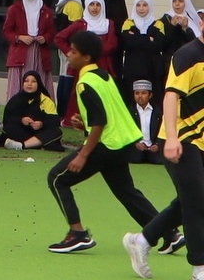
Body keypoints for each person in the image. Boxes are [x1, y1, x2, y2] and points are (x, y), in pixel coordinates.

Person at [46, 31, 171, 253]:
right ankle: (169, 233)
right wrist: (82, 124)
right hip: (121, 144)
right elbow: (105, 114)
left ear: (86, 58)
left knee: (57, 179)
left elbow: (100, 121)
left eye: (73, 51)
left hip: (105, 145)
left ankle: (78, 234)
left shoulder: (85, 84)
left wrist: (83, 154)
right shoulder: (104, 76)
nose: (69, 54)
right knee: (127, 192)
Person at [123, 15, 204, 280]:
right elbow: (170, 96)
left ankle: (142, 240)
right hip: (181, 138)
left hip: (201, 140)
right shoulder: (188, 55)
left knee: (189, 199)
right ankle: (199, 269)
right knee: (196, 202)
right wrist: (171, 138)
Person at [55, 0, 118, 128]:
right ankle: (76, 121)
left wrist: (95, 50)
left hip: (103, 66)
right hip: (85, 66)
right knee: (82, 93)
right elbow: (59, 38)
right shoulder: (80, 24)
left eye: (98, 5)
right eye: (91, 5)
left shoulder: (109, 24)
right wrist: (71, 53)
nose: (95, 8)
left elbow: (112, 44)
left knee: (102, 94)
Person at [2, 0, 55, 102]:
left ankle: (41, 113)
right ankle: (16, 114)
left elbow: (52, 31)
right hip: (20, 52)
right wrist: (19, 37)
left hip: (39, 53)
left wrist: (45, 38)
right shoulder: (15, 9)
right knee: (19, 83)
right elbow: (7, 30)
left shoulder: (45, 11)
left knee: (39, 81)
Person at [1, 70, 63, 152]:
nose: (29, 84)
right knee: (8, 128)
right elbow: (8, 119)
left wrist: (41, 124)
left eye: (33, 81)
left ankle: (21, 145)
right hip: (22, 132)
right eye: (26, 81)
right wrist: (21, 120)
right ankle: (35, 144)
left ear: (38, 84)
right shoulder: (16, 99)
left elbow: (54, 120)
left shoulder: (45, 100)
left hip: (39, 133)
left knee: (56, 132)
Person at [120, 0, 165, 106]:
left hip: (152, 70)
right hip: (132, 70)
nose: (141, 8)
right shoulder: (128, 23)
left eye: (145, 5)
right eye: (138, 5)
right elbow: (126, 42)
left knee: (154, 102)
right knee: (131, 102)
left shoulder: (158, 24)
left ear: (150, 6)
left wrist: (136, 37)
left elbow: (158, 45)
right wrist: (148, 38)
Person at [54, 0, 87, 120]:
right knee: (68, 78)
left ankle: (60, 110)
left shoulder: (63, 3)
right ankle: (65, 112)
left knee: (62, 77)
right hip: (70, 49)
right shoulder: (75, 5)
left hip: (63, 48)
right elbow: (75, 30)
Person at [160, 0, 200, 76]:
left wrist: (185, 28)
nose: (177, 4)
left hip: (190, 61)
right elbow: (163, 44)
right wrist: (172, 26)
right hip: (170, 63)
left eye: (180, 1)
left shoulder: (191, 18)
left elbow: (196, 41)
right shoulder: (165, 20)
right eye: (174, 1)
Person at [127, 80, 163, 165]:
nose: (140, 96)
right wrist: (135, 143)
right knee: (135, 159)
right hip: (137, 146)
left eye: (143, 93)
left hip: (152, 146)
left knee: (159, 160)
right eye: (137, 93)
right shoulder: (129, 111)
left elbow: (163, 129)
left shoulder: (157, 111)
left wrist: (158, 144)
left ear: (150, 95)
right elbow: (126, 129)